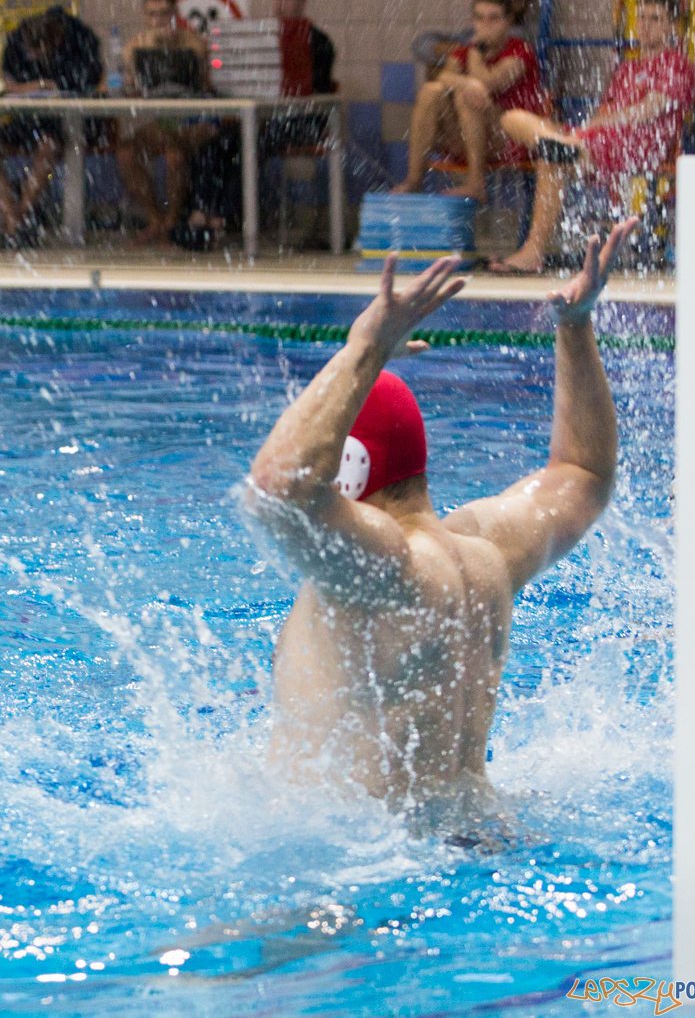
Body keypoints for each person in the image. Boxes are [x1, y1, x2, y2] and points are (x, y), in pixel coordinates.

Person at [247, 218, 635, 830]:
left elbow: (276, 487)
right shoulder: (484, 553)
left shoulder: (377, 566)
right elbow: (582, 471)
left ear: (348, 467)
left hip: (362, 873)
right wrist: (575, 326)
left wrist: (364, 351)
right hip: (480, 835)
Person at [488, 0, 695, 274]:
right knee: (512, 118)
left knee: (552, 158)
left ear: (672, 26)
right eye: (642, 18)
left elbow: (649, 110)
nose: (646, 26)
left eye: (656, 19)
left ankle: (533, 249)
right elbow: (604, 114)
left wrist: (594, 127)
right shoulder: (626, 68)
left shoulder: (676, 64)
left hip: (640, 146)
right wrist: (589, 129)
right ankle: (561, 144)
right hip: (598, 142)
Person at [175, 0, 336, 250]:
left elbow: (313, 93)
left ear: (302, 1)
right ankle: (200, 213)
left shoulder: (318, 42)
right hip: (262, 119)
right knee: (216, 145)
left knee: (248, 149)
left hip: (301, 121)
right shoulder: (261, 40)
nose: (280, 4)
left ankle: (222, 218)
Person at [393, 0, 549, 203]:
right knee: (431, 92)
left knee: (468, 95)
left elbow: (487, 83)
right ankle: (414, 180)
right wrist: (465, 82)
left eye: (493, 18)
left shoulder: (520, 51)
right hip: (472, 140)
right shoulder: (465, 50)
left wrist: (475, 53)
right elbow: (443, 77)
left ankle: (476, 183)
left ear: (508, 21)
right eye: (479, 18)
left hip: (511, 142)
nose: (485, 25)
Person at [115, 0, 213, 246]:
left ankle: (171, 222)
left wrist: (171, 49)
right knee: (125, 153)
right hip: (155, 123)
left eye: (164, 14)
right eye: (152, 14)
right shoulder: (134, 47)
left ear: (175, 14)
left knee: (175, 155)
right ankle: (155, 219)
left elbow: (204, 82)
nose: (158, 21)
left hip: (190, 123)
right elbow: (129, 90)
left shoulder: (192, 41)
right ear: (144, 16)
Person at [0, 6, 103, 244]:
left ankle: (19, 218)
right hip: (27, 118)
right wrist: (42, 84)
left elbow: (86, 80)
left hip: (67, 121)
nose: (33, 58)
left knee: (49, 145)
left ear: (56, 42)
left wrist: (36, 85)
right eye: (31, 53)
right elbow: (0, 81)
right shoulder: (17, 41)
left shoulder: (82, 41)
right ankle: (13, 221)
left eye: (40, 54)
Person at [412, 0, 537, 71]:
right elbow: (420, 44)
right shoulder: (473, 31)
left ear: (527, 3)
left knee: (440, 75)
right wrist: (441, 49)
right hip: (470, 88)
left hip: (494, 95)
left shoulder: (528, 35)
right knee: (435, 79)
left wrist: (458, 52)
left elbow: (486, 56)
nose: (508, 3)